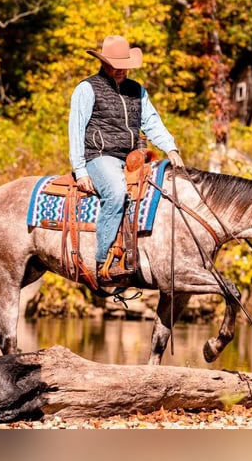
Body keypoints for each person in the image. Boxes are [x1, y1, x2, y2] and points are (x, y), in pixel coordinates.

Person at [69, 35, 184, 280]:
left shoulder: (137, 91)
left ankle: (141, 255)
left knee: (160, 192)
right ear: (103, 63)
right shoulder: (87, 88)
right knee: (116, 193)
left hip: (132, 156)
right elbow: (76, 129)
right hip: (100, 156)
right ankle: (102, 261)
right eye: (114, 64)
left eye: (123, 65)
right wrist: (80, 170)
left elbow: (152, 123)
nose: (120, 69)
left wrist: (171, 148)